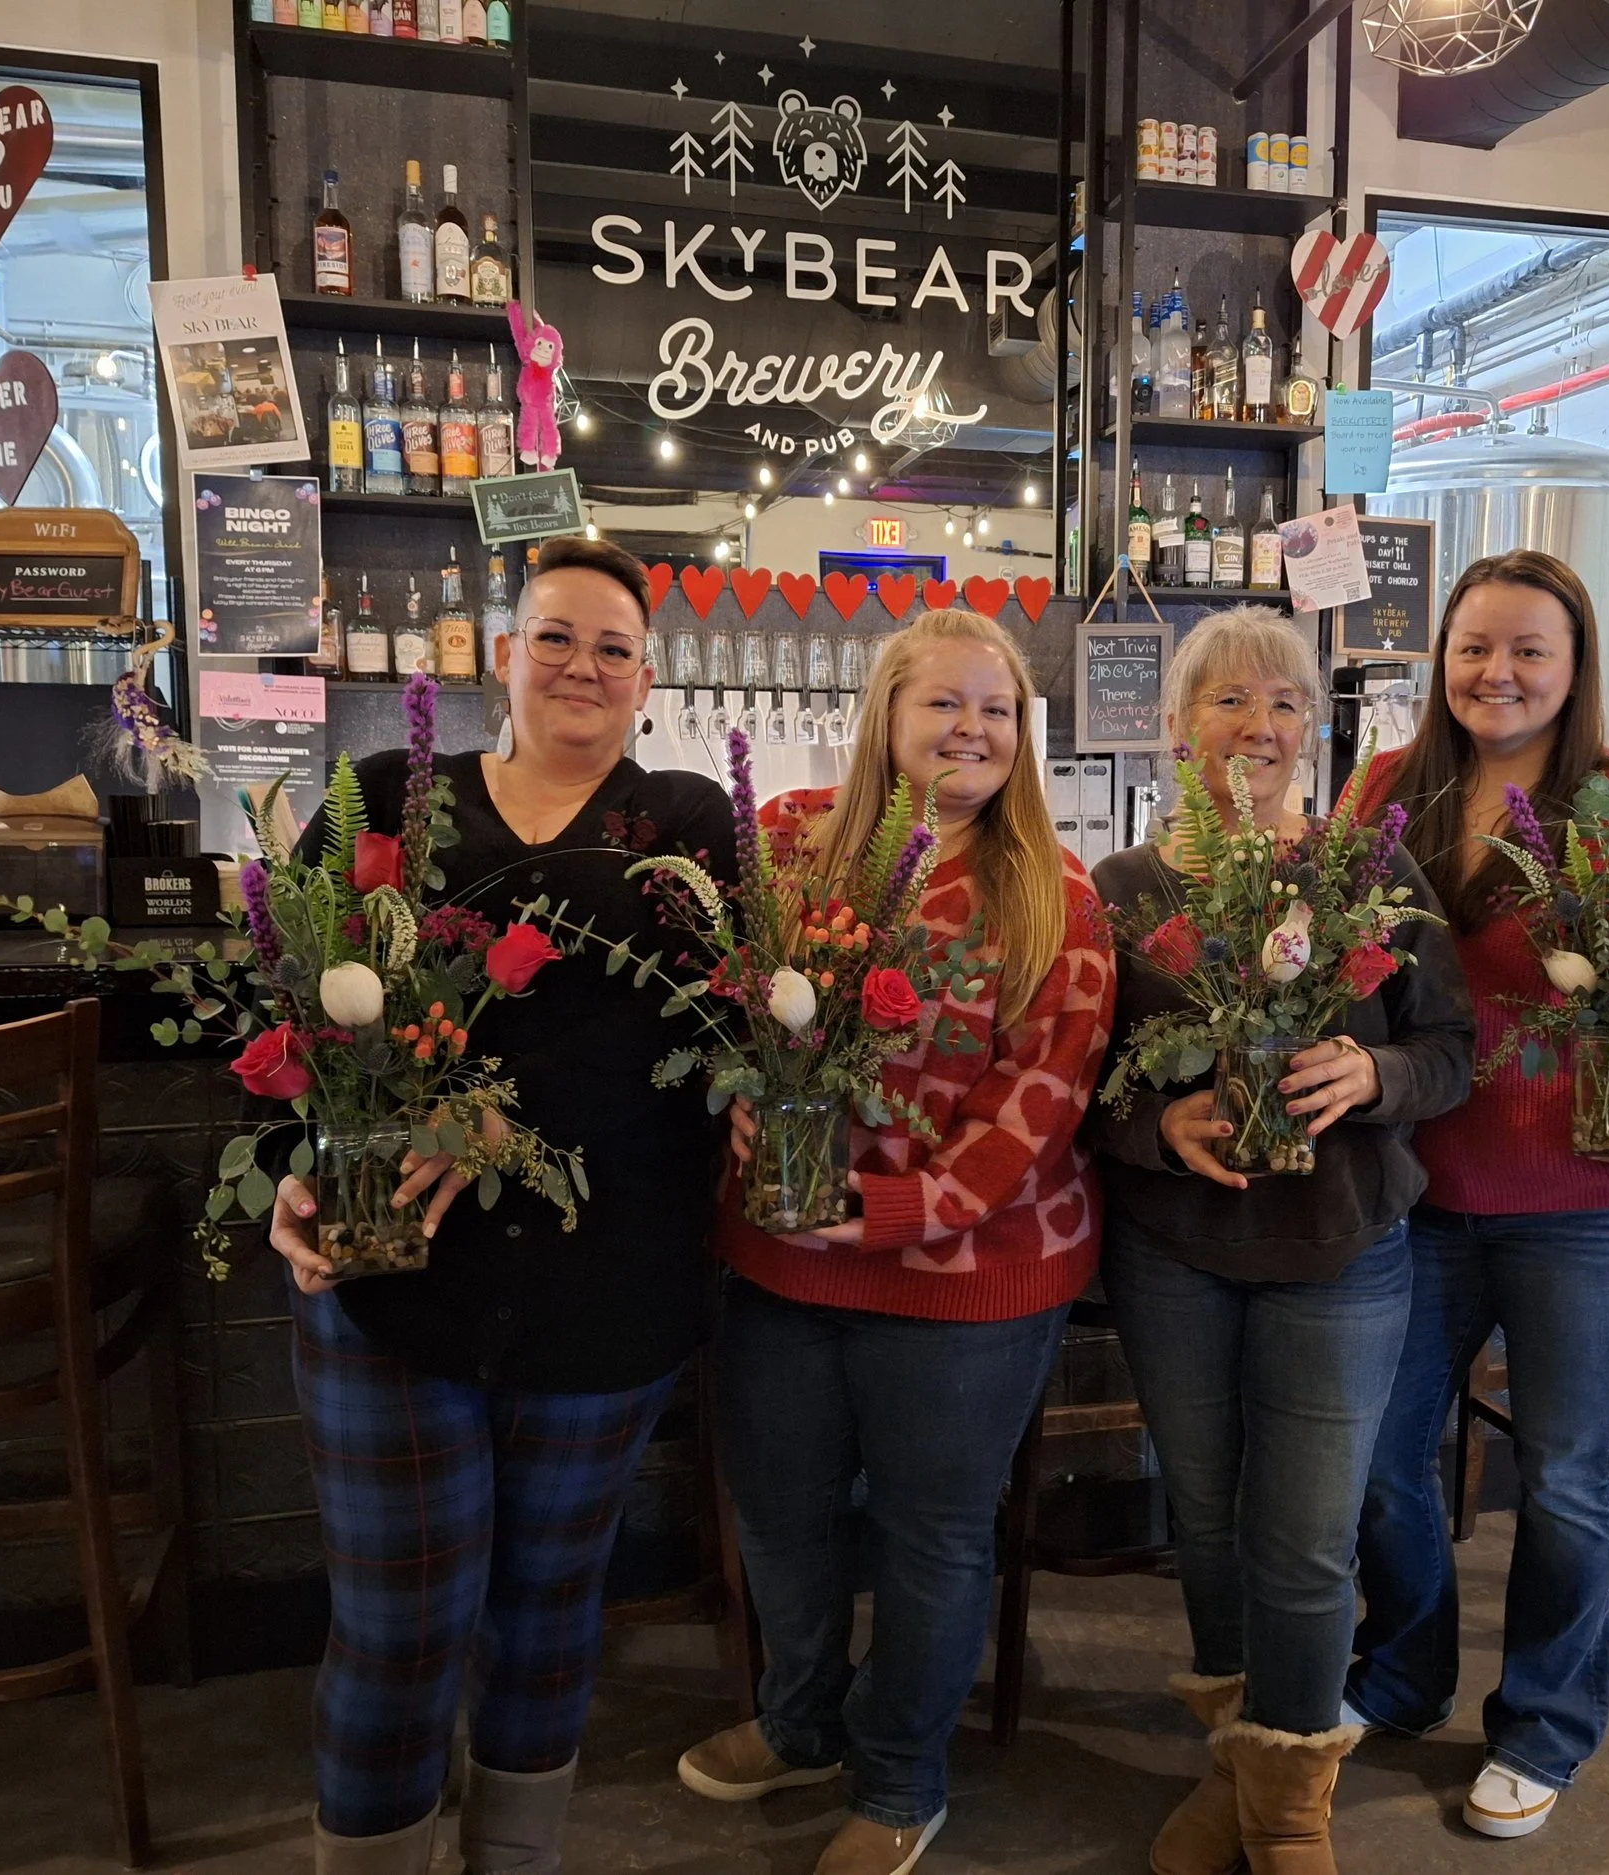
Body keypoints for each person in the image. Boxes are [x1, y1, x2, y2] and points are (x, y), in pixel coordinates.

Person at [267, 535, 737, 1875]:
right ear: (498, 654)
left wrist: (500, 1120)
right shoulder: (381, 795)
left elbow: (705, 1054)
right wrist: (296, 1167)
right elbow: (293, 1005)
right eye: (555, 635)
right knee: (401, 1621)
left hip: (607, 1282)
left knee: (547, 1613)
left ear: (648, 677)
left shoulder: (688, 827)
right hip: (393, 1273)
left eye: (611, 645)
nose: (581, 664)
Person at [676, 608, 1116, 1875]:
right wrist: (754, 1112)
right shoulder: (786, 845)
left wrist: (891, 1212)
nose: (970, 729)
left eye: (998, 710)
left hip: (972, 1281)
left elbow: (1037, 1107)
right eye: (944, 704)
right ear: (886, 715)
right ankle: (800, 1719)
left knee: (931, 1535)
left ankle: (902, 1777)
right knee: (780, 1510)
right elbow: (716, 1015)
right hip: (781, 1261)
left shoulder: (1055, 893)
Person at [1344, 550, 1609, 1840]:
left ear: (1574, 669)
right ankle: (1402, 1674)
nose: (1498, 673)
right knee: (1375, 1456)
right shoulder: (1383, 793)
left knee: (1570, 1475)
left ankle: (1543, 1726)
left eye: (1530, 649)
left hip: (1583, 1201)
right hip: (1413, 1188)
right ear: (1440, 662)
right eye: (1474, 647)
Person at [1091, 606, 1474, 1875]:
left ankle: (1291, 1801)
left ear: (1317, 729)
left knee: (1305, 1538)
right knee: (1203, 1520)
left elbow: (1452, 1053)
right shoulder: (1125, 892)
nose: (1258, 728)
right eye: (1228, 703)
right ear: (1174, 726)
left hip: (1340, 1250)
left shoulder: (1372, 872)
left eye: (1284, 705)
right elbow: (1086, 1089)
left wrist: (1371, 1075)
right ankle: (1237, 1774)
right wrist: (1160, 1123)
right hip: (1175, 1255)